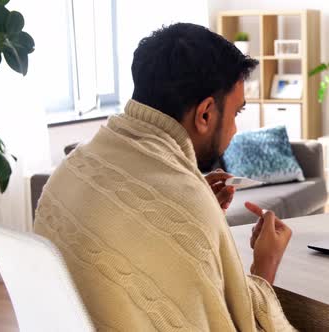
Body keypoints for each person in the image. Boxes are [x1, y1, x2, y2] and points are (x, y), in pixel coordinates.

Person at [34, 23, 295, 331]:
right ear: (206, 114)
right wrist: (266, 265)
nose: (235, 130)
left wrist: (195, 212)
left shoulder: (74, 166)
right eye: (236, 114)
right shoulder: (189, 203)